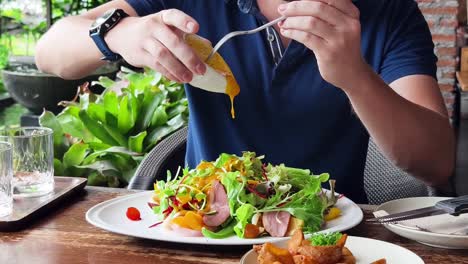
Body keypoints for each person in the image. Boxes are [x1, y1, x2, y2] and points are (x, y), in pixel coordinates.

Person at [35, 0, 455, 203]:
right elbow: (50, 52)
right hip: (198, 222)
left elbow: (435, 162)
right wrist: (117, 33)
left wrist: (355, 77)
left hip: (325, 228)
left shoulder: (388, 12)